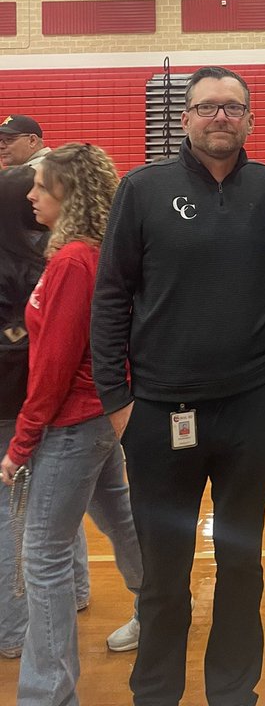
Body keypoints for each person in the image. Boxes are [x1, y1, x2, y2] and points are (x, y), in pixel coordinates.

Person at [91, 67, 265, 706]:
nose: (219, 118)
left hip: (250, 410)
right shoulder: (143, 189)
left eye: (232, 108)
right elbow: (111, 296)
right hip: (159, 413)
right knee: (164, 578)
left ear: (250, 119)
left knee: (242, 568)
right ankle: (155, 694)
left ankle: (233, 694)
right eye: (207, 108)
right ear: (185, 119)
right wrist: (117, 404)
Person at [0, 144, 143, 706]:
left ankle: (48, 694)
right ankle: (158, 610)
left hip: (73, 424)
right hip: (97, 418)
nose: (31, 195)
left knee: (43, 555)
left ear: (69, 194)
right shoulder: (89, 252)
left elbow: (54, 365)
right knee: (120, 518)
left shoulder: (72, 262)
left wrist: (22, 442)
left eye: (40, 186)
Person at [0, 167, 46, 662]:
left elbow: (15, 336)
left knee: (13, 512)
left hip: (21, 403)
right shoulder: (33, 255)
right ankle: (74, 589)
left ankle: (12, 630)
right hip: (27, 399)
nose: (37, 197)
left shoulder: (36, 257)